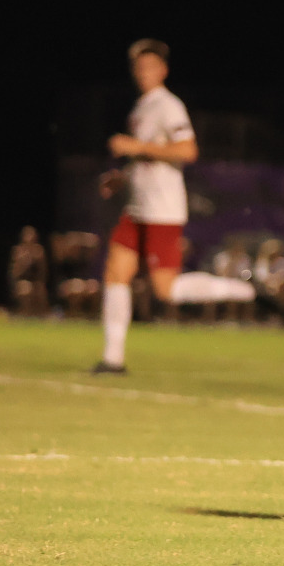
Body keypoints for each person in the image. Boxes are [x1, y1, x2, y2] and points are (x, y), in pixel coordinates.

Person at [94, 39, 197, 373]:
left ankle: (240, 291)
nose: (143, 73)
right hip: (137, 207)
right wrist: (122, 177)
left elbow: (187, 151)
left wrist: (134, 145)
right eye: (139, 67)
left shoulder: (169, 105)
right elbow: (146, 159)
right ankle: (113, 359)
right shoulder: (141, 108)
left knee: (165, 290)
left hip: (163, 209)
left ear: (163, 71)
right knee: (115, 272)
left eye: (150, 66)